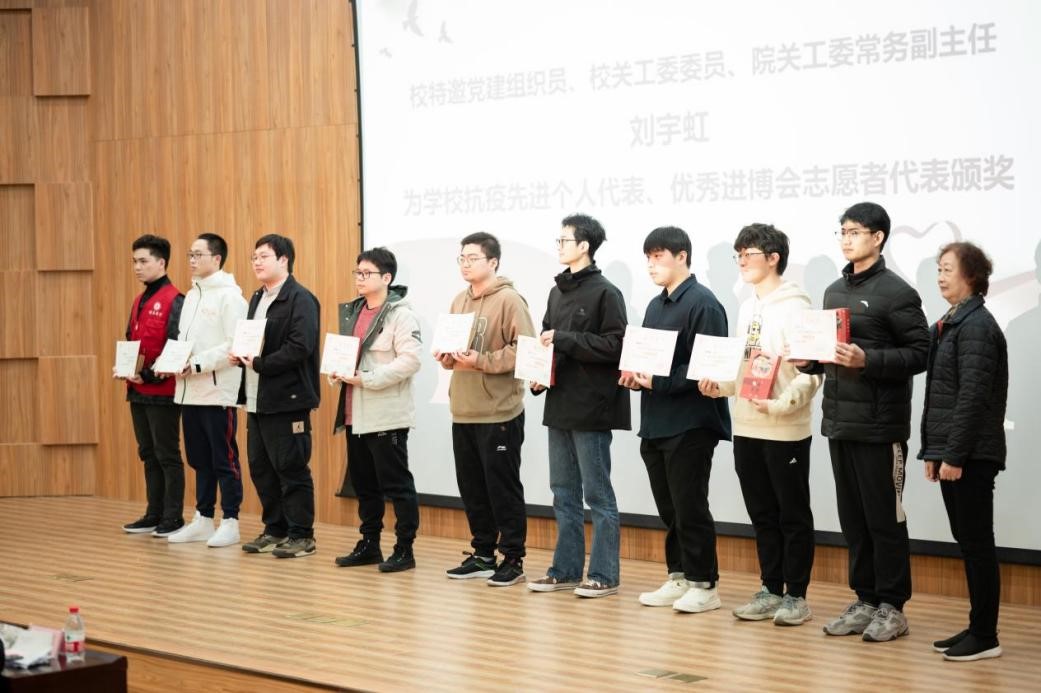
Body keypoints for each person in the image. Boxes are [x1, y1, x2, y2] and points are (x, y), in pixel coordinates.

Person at [796, 202, 929, 642]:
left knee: (884, 519)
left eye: (854, 231)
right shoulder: (833, 291)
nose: (846, 239)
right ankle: (866, 599)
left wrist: (868, 359)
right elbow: (829, 353)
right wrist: (810, 361)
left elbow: (920, 353)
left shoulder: (898, 292)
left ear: (878, 237)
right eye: (842, 231)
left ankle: (893, 606)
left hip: (880, 427)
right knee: (853, 520)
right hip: (839, 421)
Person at [699, 223, 822, 625]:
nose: (741, 262)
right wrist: (720, 386)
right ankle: (771, 588)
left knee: (792, 514)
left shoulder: (798, 306)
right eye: (738, 255)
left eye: (748, 254)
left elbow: (813, 371)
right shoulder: (746, 306)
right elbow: (745, 367)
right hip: (747, 425)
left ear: (773, 258)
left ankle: (797, 595)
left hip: (785, 428)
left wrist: (783, 404)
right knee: (762, 513)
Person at [621, 226, 732, 613]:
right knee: (669, 508)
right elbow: (649, 361)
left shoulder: (704, 304)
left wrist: (658, 380)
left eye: (658, 257)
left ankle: (704, 583)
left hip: (691, 422)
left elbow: (709, 367)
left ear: (682, 256)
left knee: (690, 506)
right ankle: (679, 575)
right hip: (656, 421)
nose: (651, 265)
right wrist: (635, 375)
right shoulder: (655, 306)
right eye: (648, 258)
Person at [527, 214, 630, 598]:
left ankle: (604, 574)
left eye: (564, 240)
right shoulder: (556, 292)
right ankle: (565, 570)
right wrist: (539, 374)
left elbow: (616, 346)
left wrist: (565, 339)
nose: (559, 246)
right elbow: (547, 342)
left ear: (584, 245)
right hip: (560, 403)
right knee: (562, 492)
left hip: (593, 406)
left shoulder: (606, 292)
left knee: (598, 495)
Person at [920, 242, 1008, 662]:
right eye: (938, 268)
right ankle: (977, 627)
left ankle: (986, 635)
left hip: (972, 454)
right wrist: (935, 453)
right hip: (956, 452)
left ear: (971, 275)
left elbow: (971, 398)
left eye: (947, 269)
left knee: (977, 543)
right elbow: (943, 398)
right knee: (969, 542)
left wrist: (953, 455)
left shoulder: (976, 327)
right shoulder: (952, 322)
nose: (940, 276)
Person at [437, 232, 535, 587]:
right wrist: (446, 356)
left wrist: (482, 360)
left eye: (473, 258)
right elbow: (452, 354)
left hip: (499, 412)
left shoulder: (509, 300)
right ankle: (482, 554)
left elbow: (526, 350)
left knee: (502, 488)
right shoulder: (458, 300)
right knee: (472, 488)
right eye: (462, 258)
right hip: (464, 408)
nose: (465, 264)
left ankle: (513, 558)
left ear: (493, 262)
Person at [331, 247, 423, 573]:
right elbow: (347, 356)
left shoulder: (401, 314)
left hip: (386, 414)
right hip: (354, 413)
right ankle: (370, 544)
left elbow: (411, 361)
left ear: (387, 278)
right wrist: (336, 371)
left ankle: (404, 549)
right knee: (364, 486)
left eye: (366, 273)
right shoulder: (353, 311)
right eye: (357, 272)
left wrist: (367, 378)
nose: (359, 278)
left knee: (397, 485)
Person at [235, 234, 321, 558]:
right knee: (261, 468)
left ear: (283, 260)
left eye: (263, 256)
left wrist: (260, 363)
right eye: (254, 257)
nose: (256, 262)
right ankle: (275, 529)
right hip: (257, 398)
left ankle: (302, 535)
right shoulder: (257, 297)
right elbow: (254, 342)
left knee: (291, 467)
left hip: (288, 399)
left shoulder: (301, 298)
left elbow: (300, 347)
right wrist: (240, 355)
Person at [165, 233, 248, 548]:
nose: (192, 260)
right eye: (190, 254)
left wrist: (197, 364)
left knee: (223, 458)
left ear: (217, 258)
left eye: (198, 254)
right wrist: (171, 362)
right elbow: (183, 341)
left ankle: (231, 521)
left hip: (217, 392)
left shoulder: (231, 297)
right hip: (189, 391)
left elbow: (233, 345)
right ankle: (202, 518)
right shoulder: (191, 296)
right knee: (199, 458)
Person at [118, 235, 186, 538]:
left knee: (167, 454)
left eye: (143, 261)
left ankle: (173, 517)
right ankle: (153, 513)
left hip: (163, 391)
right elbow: (131, 341)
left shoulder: (175, 299)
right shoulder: (138, 300)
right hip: (137, 390)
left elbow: (176, 348)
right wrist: (126, 368)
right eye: (135, 261)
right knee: (147, 452)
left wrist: (148, 375)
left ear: (161, 262)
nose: (137, 267)